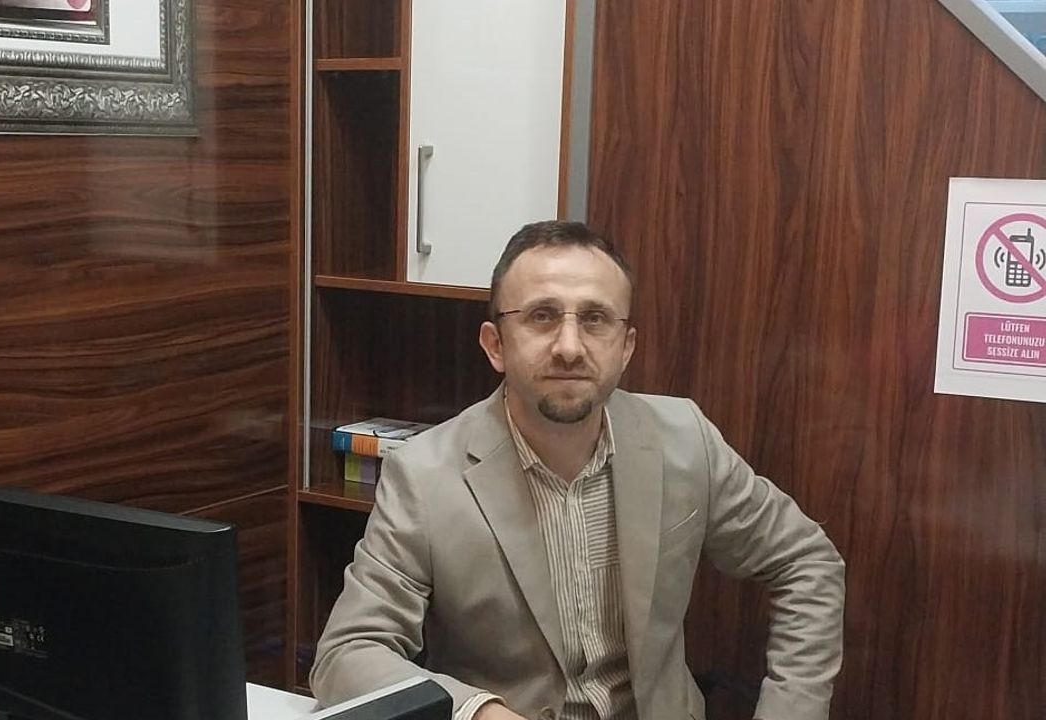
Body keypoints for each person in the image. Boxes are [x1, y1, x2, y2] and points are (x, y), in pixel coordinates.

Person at [310, 220, 845, 720]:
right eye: (542, 316)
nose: (569, 347)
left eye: (595, 319)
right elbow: (348, 653)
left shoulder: (685, 440)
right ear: (495, 345)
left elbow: (806, 561)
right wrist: (478, 712)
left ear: (626, 347)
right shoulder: (426, 474)